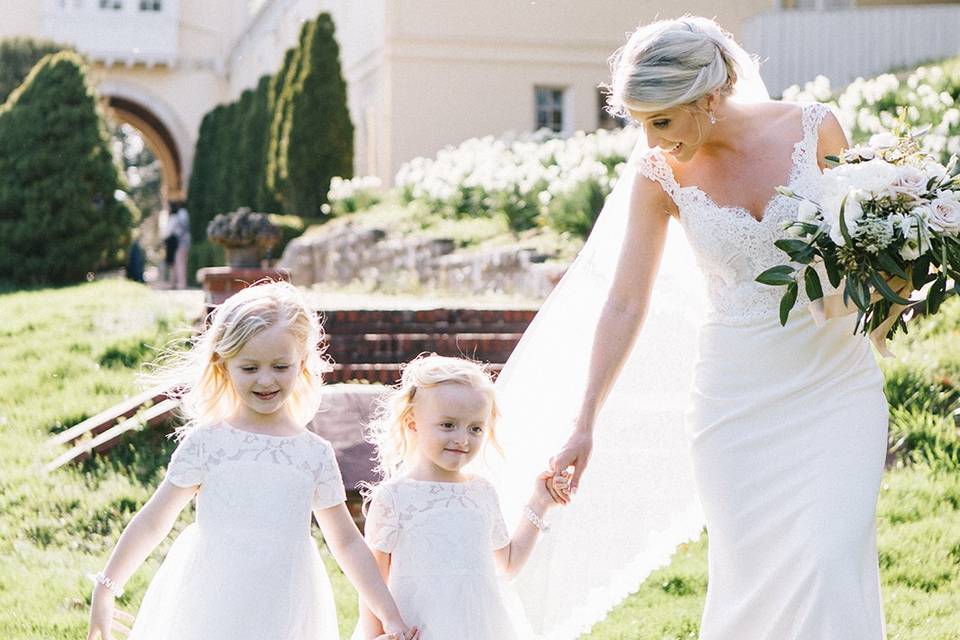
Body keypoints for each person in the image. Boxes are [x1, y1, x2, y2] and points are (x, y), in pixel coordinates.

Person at [495, 15, 888, 640]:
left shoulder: (816, 128)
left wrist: (893, 289)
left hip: (836, 388)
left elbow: (867, 243)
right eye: (641, 124)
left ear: (708, 97)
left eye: (661, 121)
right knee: (751, 577)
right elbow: (625, 301)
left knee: (829, 557)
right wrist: (584, 423)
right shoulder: (658, 177)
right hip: (736, 405)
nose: (649, 141)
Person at [86, 281, 419, 640]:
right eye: (249, 368)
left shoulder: (313, 454)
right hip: (211, 598)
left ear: (302, 364)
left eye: (280, 366)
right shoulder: (209, 443)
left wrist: (389, 616)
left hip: (284, 601)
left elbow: (347, 542)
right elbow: (155, 520)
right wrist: (106, 587)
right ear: (223, 364)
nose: (265, 379)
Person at [353, 354, 568, 640]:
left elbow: (508, 563)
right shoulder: (395, 496)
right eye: (448, 425)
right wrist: (375, 636)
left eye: (475, 428)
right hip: (420, 628)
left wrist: (540, 502)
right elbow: (373, 580)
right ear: (413, 422)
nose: (463, 439)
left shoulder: (481, 492)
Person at [172, 203, 191, 289]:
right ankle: (182, 283)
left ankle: (182, 284)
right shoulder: (183, 213)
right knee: (182, 263)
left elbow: (181, 228)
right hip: (185, 241)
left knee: (180, 263)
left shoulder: (180, 214)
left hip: (182, 242)